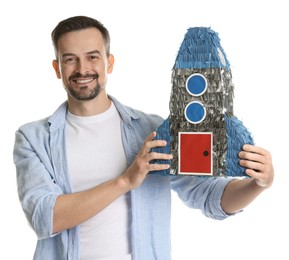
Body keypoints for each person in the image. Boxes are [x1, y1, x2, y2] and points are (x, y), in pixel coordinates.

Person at [13, 15, 274, 260]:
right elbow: (45, 217)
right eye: (70, 59)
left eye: (92, 57)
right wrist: (126, 180)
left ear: (109, 62)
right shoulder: (33, 139)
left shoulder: (150, 130)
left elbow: (206, 196)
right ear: (57, 68)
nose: (83, 69)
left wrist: (258, 184)